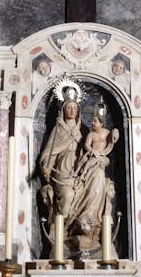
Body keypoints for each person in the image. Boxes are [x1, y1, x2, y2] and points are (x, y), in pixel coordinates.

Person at [69, 103, 118, 246]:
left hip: (100, 162)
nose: (92, 123)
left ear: (102, 122)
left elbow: (114, 137)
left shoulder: (106, 133)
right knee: (88, 179)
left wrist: (115, 133)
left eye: (95, 121)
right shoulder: (91, 134)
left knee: (98, 184)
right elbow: (86, 145)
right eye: (92, 120)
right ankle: (85, 215)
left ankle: (94, 219)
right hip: (91, 158)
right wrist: (92, 151)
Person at [38, 84, 85, 223]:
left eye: (74, 108)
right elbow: (49, 153)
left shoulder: (82, 131)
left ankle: (77, 230)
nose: (72, 110)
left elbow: (89, 150)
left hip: (79, 172)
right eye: (69, 108)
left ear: (78, 111)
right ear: (63, 110)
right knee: (68, 194)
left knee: (86, 195)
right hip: (62, 171)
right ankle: (61, 229)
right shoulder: (58, 130)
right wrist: (45, 165)